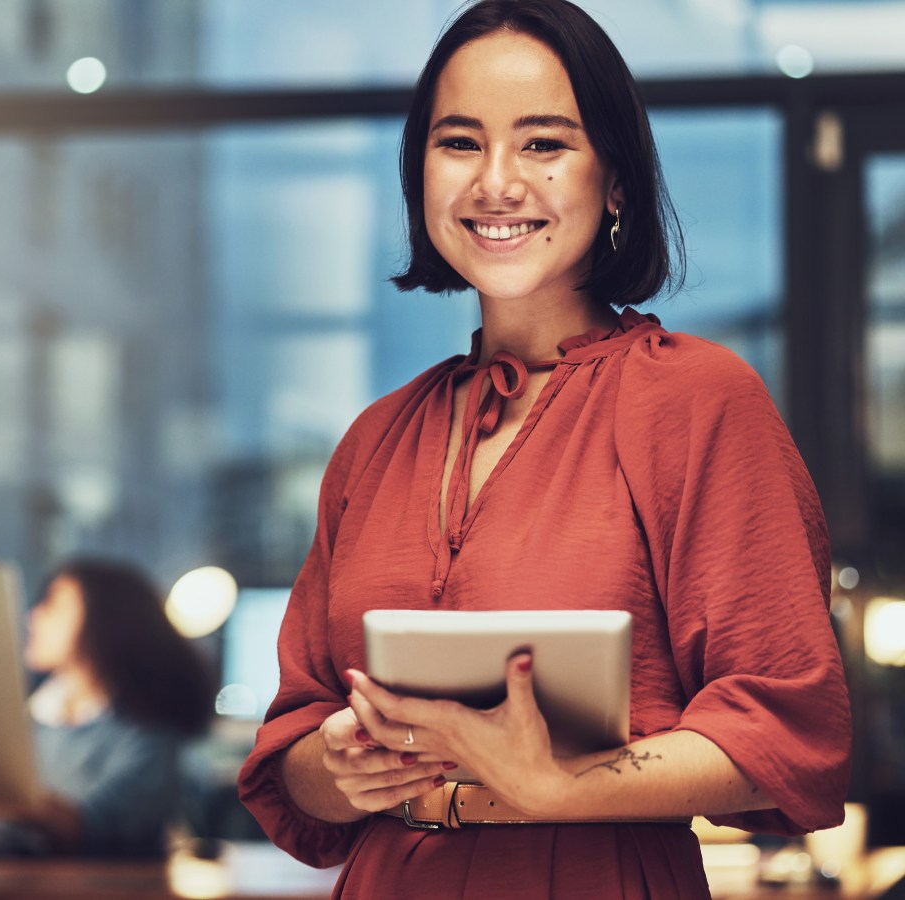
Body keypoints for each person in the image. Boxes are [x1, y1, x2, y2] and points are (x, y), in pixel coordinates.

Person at [237, 1, 851, 896]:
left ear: (615, 184)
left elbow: (789, 737)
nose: (495, 183)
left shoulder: (698, 400)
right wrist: (336, 767)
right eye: (458, 142)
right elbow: (290, 750)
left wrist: (561, 782)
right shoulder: (375, 440)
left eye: (543, 144)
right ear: (418, 174)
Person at [0, 558, 217, 859]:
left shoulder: (148, 732)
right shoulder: (32, 716)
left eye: (52, 604)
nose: (33, 616)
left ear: (104, 620)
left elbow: (93, 827)